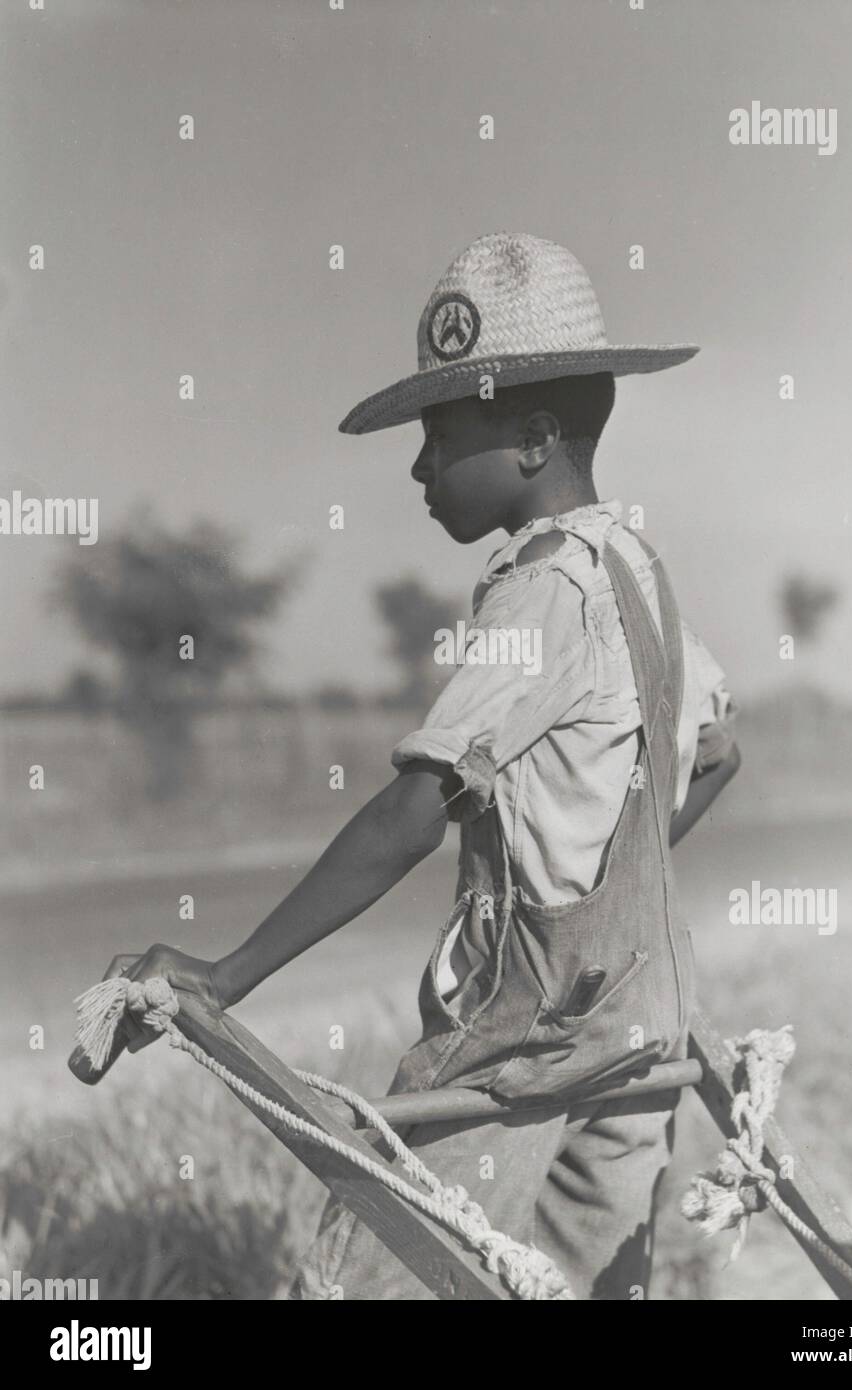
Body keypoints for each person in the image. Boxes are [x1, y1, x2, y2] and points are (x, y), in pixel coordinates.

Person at [106, 232, 740, 1300]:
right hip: (644, 1018)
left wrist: (223, 977)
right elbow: (717, 751)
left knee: (367, 1271)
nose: (416, 466)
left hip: (528, 1032)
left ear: (534, 437)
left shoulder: (539, 590)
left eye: (441, 435)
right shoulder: (635, 565)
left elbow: (414, 809)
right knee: (589, 1282)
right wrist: (603, 880)